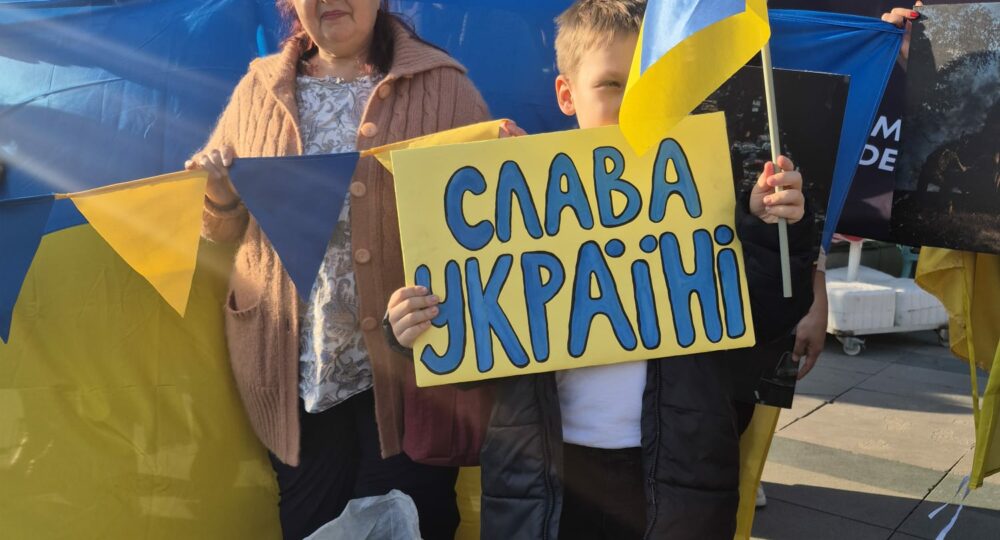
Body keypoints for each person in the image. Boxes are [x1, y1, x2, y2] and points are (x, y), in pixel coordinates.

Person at [387, 1, 817, 538]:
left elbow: (768, 317)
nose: (635, 103)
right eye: (613, 85)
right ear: (567, 94)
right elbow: (478, 362)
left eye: (650, 85)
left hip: (678, 478)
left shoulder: (713, 196)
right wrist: (416, 326)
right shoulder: (515, 202)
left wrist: (772, 232)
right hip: (544, 482)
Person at [187, 1, 515, 538]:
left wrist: (512, 163)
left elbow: (493, 220)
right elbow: (221, 229)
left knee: (411, 521)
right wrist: (218, 194)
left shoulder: (443, 87)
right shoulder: (259, 91)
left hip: (411, 375)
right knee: (310, 526)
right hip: (297, 377)